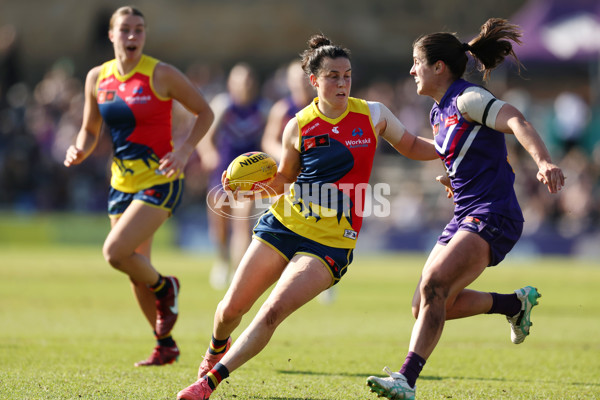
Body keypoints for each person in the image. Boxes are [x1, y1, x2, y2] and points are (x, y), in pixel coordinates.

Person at [176, 34, 438, 399]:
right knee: (230, 309)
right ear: (314, 81)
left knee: (271, 312)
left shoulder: (373, 114)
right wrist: (248, 189)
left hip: (331, 242)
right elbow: (283, 180)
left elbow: (410, 145)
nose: (342, 83)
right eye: (333, 76)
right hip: (284, 225)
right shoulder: (298, 125)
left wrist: (450, 150)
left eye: (347, 75)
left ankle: (208, 383)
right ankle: (215, 348)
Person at [366, 18, 565, 400]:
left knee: (434, 285)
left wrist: (543, 162)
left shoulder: (467, 98)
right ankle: (514, 303)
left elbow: (516, 120)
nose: (410, 70)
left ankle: (405, 380)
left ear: (438, 67)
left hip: (494, 213)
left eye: (416, 62)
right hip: (466, 214)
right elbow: (456, 153)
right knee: (422, 305)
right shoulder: (438, 112)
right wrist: (452, 179)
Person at [63, 6, 213, 367]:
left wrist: (184, 151)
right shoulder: (96, 77)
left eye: (139, 30)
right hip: (121, 183)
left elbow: (204, 112)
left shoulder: (161, 74)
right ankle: (165, 345)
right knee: (134, 268)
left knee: (115, 253)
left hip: (161, 179)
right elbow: (89, 128)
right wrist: (79, 148)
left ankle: (166, 287)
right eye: (125, 30)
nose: (133, 37)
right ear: (112, 35)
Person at [197, 62, 270, 289]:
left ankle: (239, 272)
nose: (245, 85)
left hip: (250, 178)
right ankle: (222, 260)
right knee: (219, 224)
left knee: (242, 223)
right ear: (231, 83)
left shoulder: (263, 108)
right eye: (240, 81)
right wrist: (209, 153)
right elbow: (205, 136)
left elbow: (269, 138)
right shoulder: (223, 106)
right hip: (223, 175)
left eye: (248, 80)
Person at [261, 59, 314, 161]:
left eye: (304, 78)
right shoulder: (281, 109)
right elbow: (269, 141)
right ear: (289, 82)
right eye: (296, 79)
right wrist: (287, 156)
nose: (301, 84)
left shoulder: (321, 106)